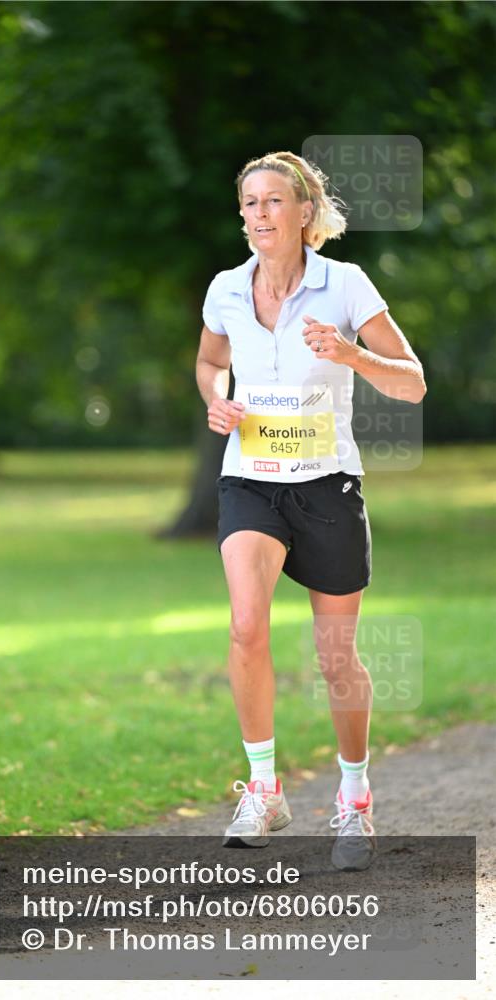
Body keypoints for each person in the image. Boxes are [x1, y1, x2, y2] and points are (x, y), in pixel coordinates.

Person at [195, 151, 426, 869]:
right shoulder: (226, 290)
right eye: (248, 204)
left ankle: (353, 801)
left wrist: (352, 354)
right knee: (243, 624)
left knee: (334, 657)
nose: (258, 215)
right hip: (250, 482)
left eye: (272, 202)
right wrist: (216, 399)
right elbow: (208, 361)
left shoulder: (346, 285)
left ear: (304, 213)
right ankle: (263, 788)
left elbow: (413, 383)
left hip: (327, 485)